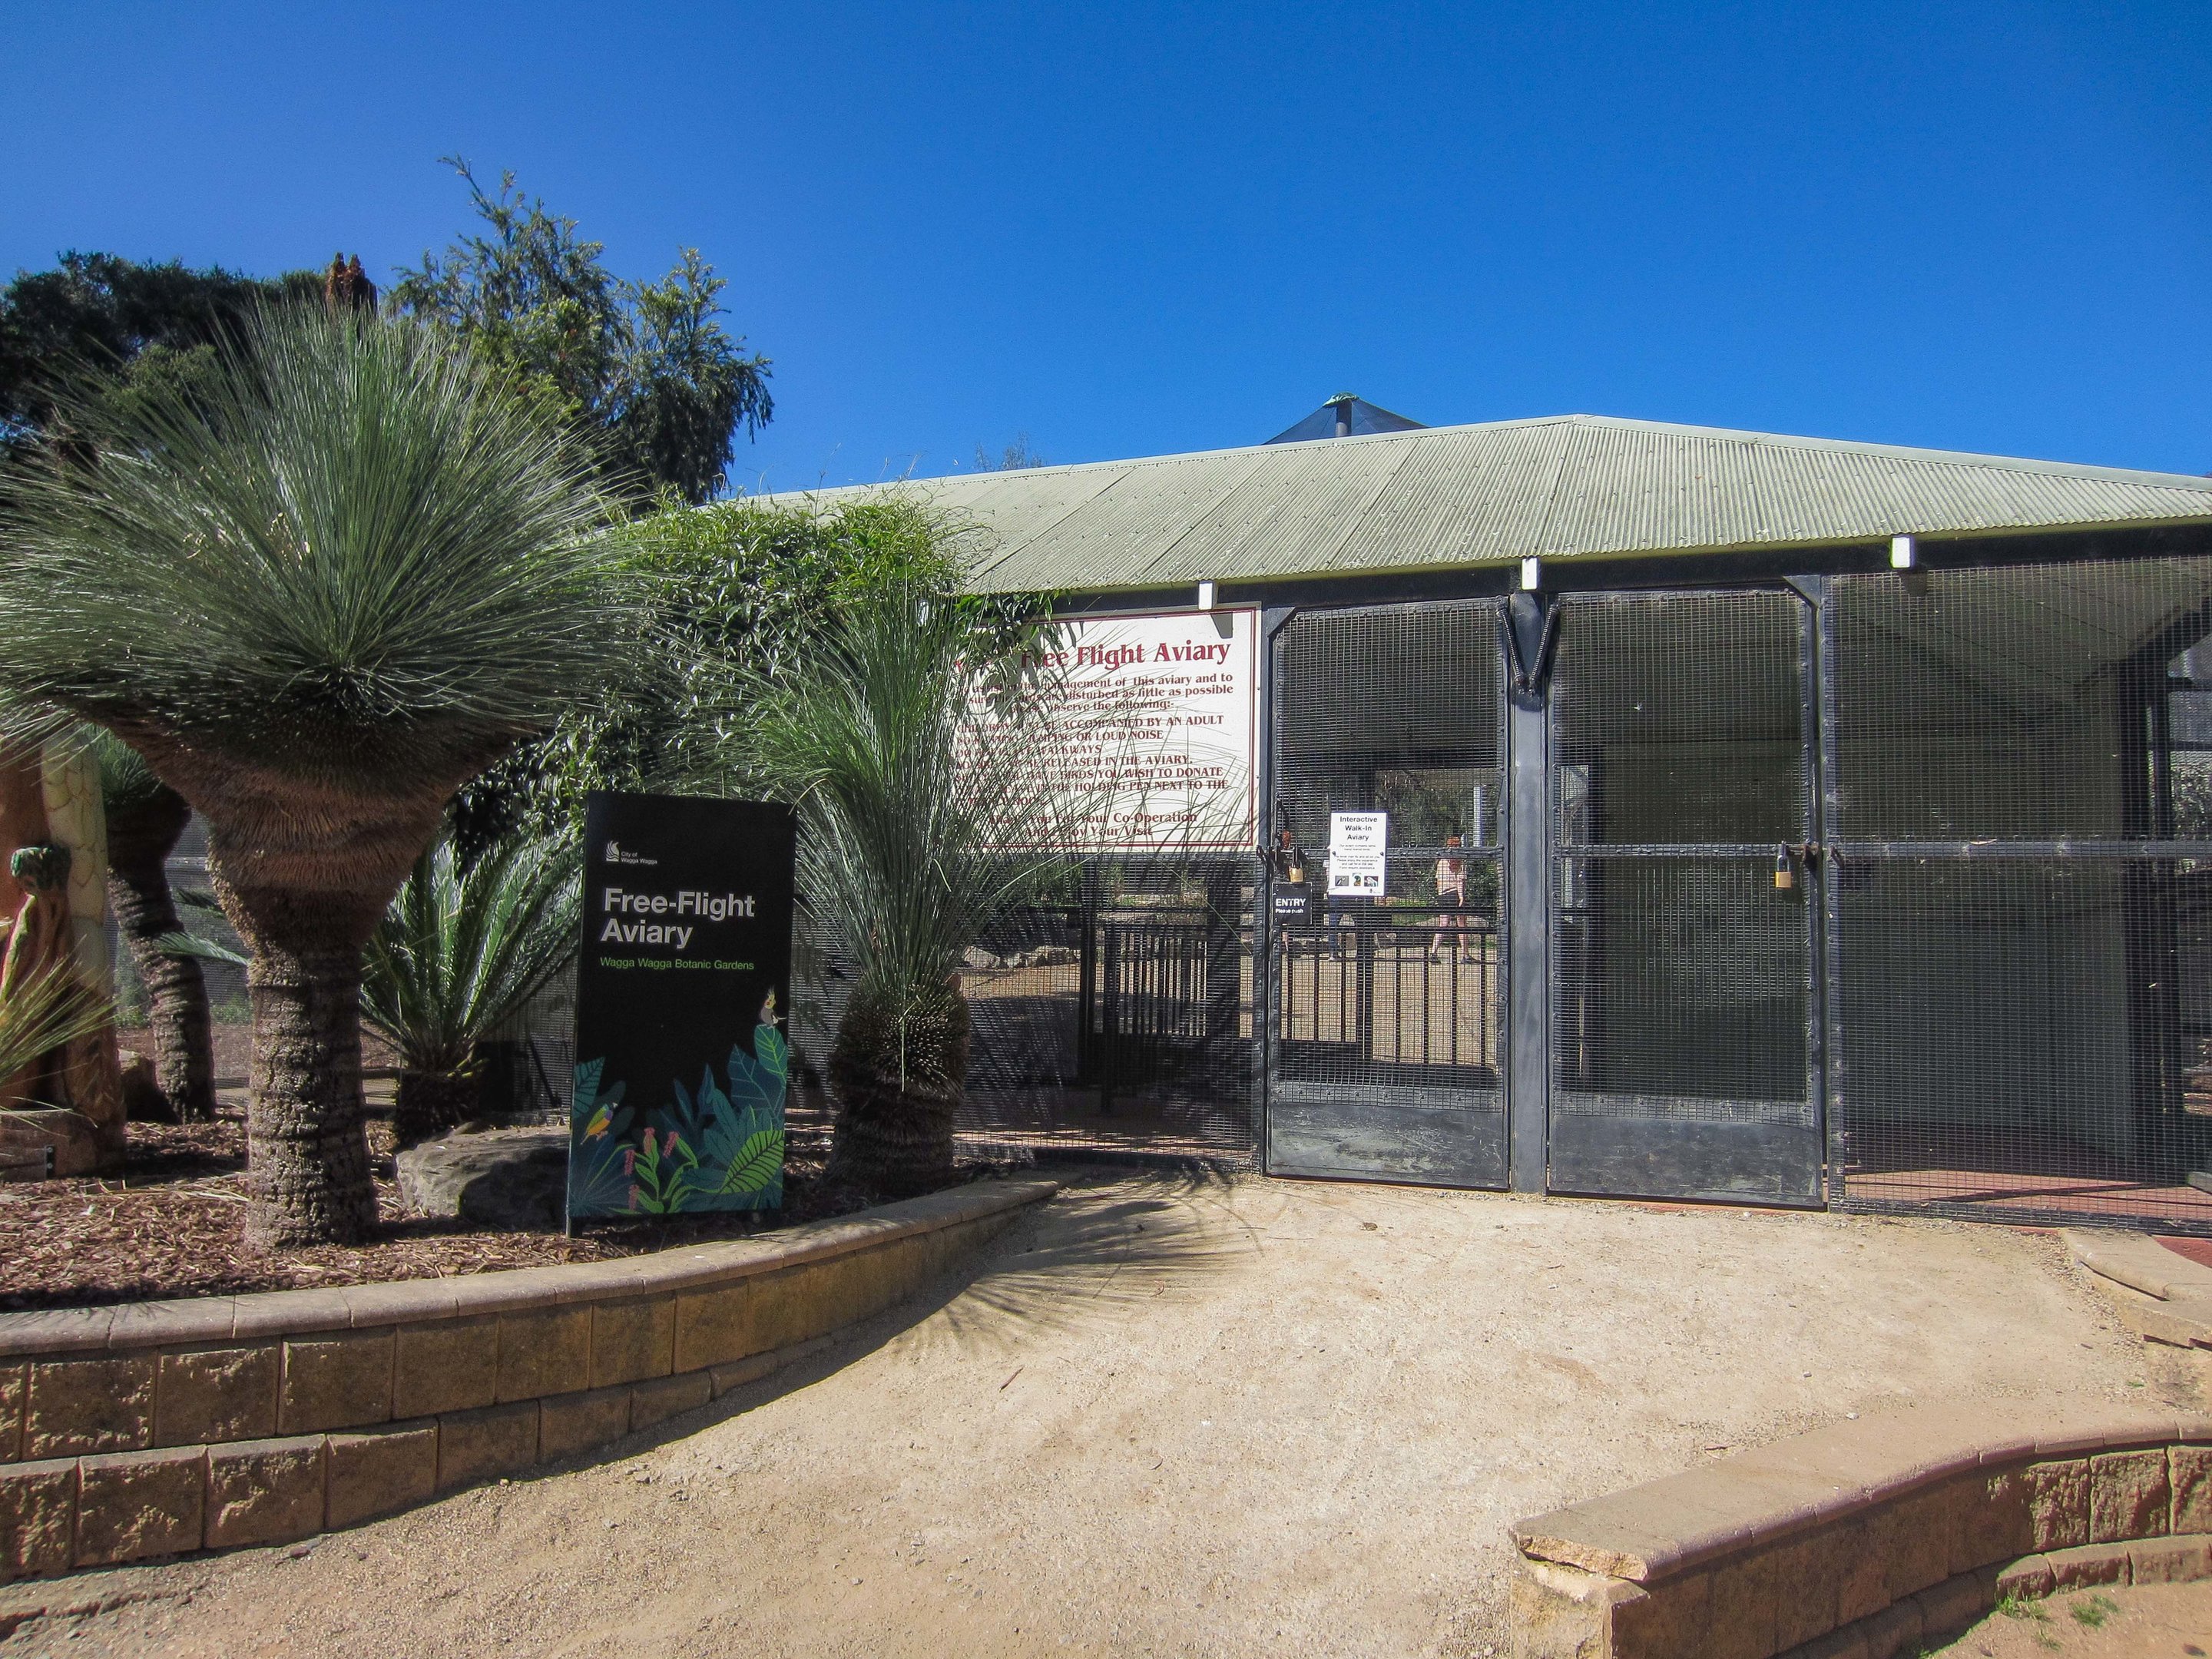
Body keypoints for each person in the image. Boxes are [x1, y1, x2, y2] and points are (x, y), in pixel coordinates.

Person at [1431, 835, 1475, 962]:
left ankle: (1433, 952)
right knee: (1462, 925)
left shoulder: (1441, 861)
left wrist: (1440, 895)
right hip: (1455, 895)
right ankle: (1465, 955)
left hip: (1443, 896)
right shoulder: (1460, 862)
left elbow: (1438, 882)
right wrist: (1461, 897)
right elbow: (1460, 882)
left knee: (1443, 925)